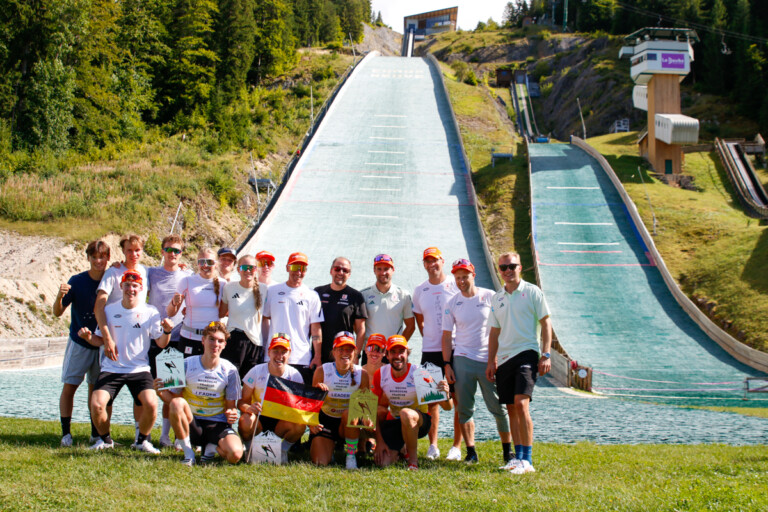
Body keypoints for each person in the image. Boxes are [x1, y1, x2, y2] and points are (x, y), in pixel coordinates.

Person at [79, 270, 173, 453]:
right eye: (127, 285)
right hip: (111, 369)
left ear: (142, 289)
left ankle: (142, 441)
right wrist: (88, 337)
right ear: (121, 287)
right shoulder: (109, 310)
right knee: (97, 404)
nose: (131, 289)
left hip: (139, 369)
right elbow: (100, 340)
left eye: (135, 286)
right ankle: (105, 440)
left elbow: (161, 343)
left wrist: (167, 332)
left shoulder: (150, 312)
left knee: (152, 403)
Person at [486, 252, 552, 475]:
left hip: (527, 353)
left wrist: (546, 354)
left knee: (522, 404)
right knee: (512, 408)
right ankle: (517, 457)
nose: (507, 270)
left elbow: (546, 322)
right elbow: (494, 333)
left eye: (511, 266)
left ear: (520, 267)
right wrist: (491, 361)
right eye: (503, 267)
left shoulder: (532, 292)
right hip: (504, 359)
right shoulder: (497, 298)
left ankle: (528, 460)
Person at [442, 258, 512, 465]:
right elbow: (446, 336)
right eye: (457, 278)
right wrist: (447, 364)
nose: (461, 281)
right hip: (462, 359)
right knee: (464, 408)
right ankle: (471, 451)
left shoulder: (490, 296)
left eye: (465, 276)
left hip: (488, 360)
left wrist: (496, 358)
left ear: (474, 275)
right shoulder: (452, 302)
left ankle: (508, 452)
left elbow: (502, 327)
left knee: (498, 407)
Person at [154, 322, 243, 466]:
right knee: (177, 403)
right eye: (211, 339)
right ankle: (189, 454)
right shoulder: (186, 364)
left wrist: (232, 413)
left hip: (217, 424)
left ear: (225, 344)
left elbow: (231, 407)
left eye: (220, 341)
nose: (215, 344)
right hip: (192, 423)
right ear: (203, 340)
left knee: (235, 454)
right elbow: (174, 401)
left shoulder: (230, 370)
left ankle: (211, 447)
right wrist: (160, 392)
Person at [53, 239, 110, 447]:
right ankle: (66, 434)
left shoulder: (111, 281)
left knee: (95, 390)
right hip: (79, 343)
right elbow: (58, 312)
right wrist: (59, 296)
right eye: (94, 257)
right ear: (88, 258)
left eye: (102, 257)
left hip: (100, 344)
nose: (98, 261)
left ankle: (95, 434)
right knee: (70, 386)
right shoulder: (76, 281)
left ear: (107, 258)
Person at [93, 233, 149, 444]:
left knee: (140, 393)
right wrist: (106, 337)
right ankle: (102, 437)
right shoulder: (113, 272)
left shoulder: (144, 271)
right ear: (123, 251)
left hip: (136, 341)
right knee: (107, 393)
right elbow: (100, 305)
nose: (133, 254)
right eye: (129, 250)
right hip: (113, 340)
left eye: (137, 250)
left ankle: (140, 436)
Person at [372, 335, 451, 470]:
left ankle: (413, 461)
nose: (398, 356)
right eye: (393, 352)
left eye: (401, 352)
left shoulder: (419, 373)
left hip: (419, 421)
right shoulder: (380, 374)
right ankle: (400, 450)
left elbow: (447, 407)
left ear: (407, 354)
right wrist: (379, 441)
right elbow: (374, 410)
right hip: (396, 422)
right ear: (387, 355)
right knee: (382, 463)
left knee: (406, 413)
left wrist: (446, 394)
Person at [411, 246, 461, 461]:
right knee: (432, 399)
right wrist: (431, 337)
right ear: (424, 264)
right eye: (427, 261)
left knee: (459, 399)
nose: (432, 264)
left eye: (435, 260)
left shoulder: (455, 285)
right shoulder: (420, 290)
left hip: (457, 348)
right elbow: (419, 319)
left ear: (442, 261)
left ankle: (457, 447)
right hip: (430, 349)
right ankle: (433, 446)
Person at [146, 234, 192, 448]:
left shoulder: (186, 275)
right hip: (153, 336)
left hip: (176, 338)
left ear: (181, 253)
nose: (173, 254)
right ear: (162, 251)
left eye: (177, 250)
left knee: (171, 388)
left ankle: (167, 435)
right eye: (169, 249)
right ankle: (142, 435)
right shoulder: (151, 273)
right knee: (148, 388)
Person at [238, 333, 306, 463]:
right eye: (275, 351)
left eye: (283, 352)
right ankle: (249, 449)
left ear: (289, 354)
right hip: (259, 419)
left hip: (281, 421)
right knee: (245, 419)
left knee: (300, 423)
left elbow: (301, 406)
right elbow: (241, 403)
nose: (279, 356)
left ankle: (282, 450)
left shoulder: (295, 375)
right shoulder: (256, 371)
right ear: (268, 352)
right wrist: (249, 407)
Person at [262, 252, 324, 385]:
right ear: (287, 268)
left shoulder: (312, 295)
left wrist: (317, 356)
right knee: (270, 400)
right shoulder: (272, 291)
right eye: (295, 267)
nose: (299, 272)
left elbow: (316, 328)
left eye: (303, 268)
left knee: (296, 401)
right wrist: (265, 346)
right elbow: (264, 318)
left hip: (300, 357)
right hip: (274, 355)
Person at [309, 333, 368, 469]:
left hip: (348, 424)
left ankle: (351, 456)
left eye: (349, 349)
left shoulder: (362, 374)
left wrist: (367, 420)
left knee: (349, 413)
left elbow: (365, 406)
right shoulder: (322, 371)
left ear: (355, 352)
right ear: (333, 351)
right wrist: (311, 424)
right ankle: (330, 449)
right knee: (320, 462)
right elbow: (311, 406)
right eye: (341, 349)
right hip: (327, 422)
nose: (345, 353)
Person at [168, 248, 223, 359]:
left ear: (216, 264)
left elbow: (224, 312)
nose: (205, 265)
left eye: (209, 262)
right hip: (188, 337)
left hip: (211, 340)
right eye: (201, 262)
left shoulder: (223, 284)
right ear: (197, 263)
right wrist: (174, 303)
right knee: (184, 374)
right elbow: (171, 312)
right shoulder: (187, 281)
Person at [219, 254, 268, 377]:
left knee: (249, 385)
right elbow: (221, 313)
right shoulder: (229, 288)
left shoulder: (264, 289)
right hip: (233, 340)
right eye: (244, 267)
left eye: (251, 267)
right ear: (238, 269)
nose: (247, 271)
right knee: (229, 381)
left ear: (256, 270)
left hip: (255, 343)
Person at [314, 257, 367, 364]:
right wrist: (316, 355)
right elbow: (313, 325)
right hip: (320, 356)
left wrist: (356, 355)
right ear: (331, 271)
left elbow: (361, 329)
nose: (340, 272)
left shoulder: (356, 296)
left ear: (349, 274)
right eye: (337, 269)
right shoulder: (317, 292)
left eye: (345, 270)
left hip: (345, 356)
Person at [359, 254, 415, 349]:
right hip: (371, 352)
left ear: (393, 270)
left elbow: (411, 326)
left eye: (386, 269)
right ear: (374, 270)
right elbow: (358, 326)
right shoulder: (363, 295)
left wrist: (397, 346)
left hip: (393, 352)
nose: (383, 272)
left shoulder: (403, 295)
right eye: (379, 269)